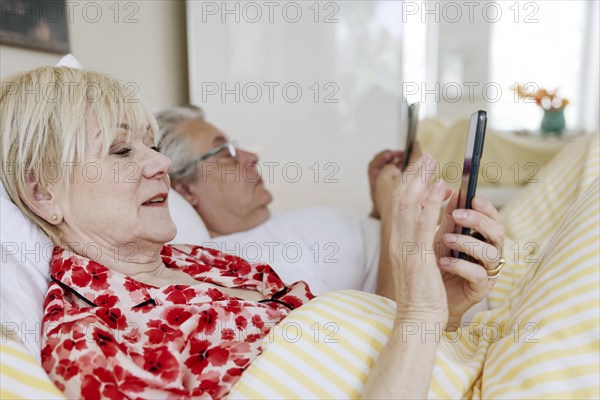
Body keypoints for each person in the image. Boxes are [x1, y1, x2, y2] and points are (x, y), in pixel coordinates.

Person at [0, 66, 505, 399]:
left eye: (152, 146)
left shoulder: (204, 262)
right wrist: (420, 306)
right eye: (120, 151)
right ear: (43, 193)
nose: (158, 164)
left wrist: (447, 306)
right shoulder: (94, 346)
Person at [156, 105, 406, 294]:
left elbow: (365, 266)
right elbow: (386, 319)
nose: (252, 156)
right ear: (186, 191)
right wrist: (397, 210)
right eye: (225, 153)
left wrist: (379, 210)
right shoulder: (250, 263)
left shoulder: (267, 232)